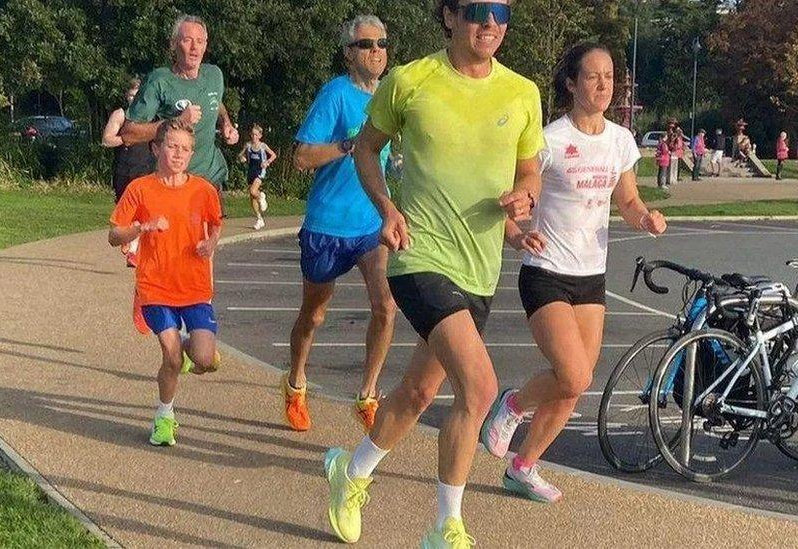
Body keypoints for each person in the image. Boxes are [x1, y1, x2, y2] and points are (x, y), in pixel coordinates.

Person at [323, 1, 543, 546]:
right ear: (448, 16)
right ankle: (446, 525)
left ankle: (349, 474)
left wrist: (526, 197)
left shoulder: (522, 92)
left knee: (419, 391)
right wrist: (386, 209)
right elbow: (366, 150)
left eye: (501, 12)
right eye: (476, 10)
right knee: (481, 387)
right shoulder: (411, 80)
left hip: (479, 268)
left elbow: (530, 169)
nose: (489, 23)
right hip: (418, 256)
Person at [479, 42, 666, 506]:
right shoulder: (550, 139)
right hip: (546, 271)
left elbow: (627, 199)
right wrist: (517, 230)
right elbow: (519, 192)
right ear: (571, 83)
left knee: (574, 384)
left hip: (591, 276)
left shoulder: (620, 140)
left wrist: (644, 217)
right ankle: (512, 405)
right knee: (573, 372)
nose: (604, 85)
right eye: (592, 76)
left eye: (609, 77)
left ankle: (523, 467)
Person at [283, 15, 397, 434]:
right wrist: (351, 145)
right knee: (313, 315)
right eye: (367, 44)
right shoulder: (334, 95)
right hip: (328, 224)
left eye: (382, 43)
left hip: (371, 222)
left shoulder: (390, 95)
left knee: (386, 305)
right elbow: (301, 157)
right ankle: (296, 382)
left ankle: (367, 394)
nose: (377, 51)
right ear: (350, 53)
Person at [108, 119, 223, 447]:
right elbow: (114, 235)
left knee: (202, 359)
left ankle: (194, 352)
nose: (179, 154)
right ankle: (164, 417)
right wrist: (141, 228)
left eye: (185, 149)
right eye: (172, 146)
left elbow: (215, 225)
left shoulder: (203, 190)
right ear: (156, 148)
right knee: (171, 356)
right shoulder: (140, 189)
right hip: (155, 286)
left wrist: (211, 244)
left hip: (195, 288)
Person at [120, 15, 240, 196]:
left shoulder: (214, 75)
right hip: (173, 185)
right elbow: (128, 134)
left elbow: (216, 101)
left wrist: (226, 123)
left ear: (206, 45)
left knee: (213, 225)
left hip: (210, 180)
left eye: (200, 41)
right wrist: (177, 121)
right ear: (174, 44)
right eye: (187, 40)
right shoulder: (160, 80)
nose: (194, 48)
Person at [102, 77, 155, 267]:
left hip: (146, 169)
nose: (135, 99)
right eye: (132, 95)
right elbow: (107, 139)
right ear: (127, 96)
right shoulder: (120, 114)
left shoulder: (150, 117)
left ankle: (133, 251)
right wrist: (126, 138)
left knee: (142, 211)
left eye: (138, 95)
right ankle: (126, 238)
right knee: (124, 214)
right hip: (124, 169)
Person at [237, 124, 277, 230]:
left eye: (256, 135)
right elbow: (240, 155)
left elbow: (273, 155)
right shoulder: (248, 145)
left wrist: (267, 162)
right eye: (252, 134)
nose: (254, 137)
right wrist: (242, 158)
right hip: (251, 171)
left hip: (260, 171)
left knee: (253, 191)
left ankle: (261, 196)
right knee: (252, 197)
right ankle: (259, 219)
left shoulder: (263, 146)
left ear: (260, 136)